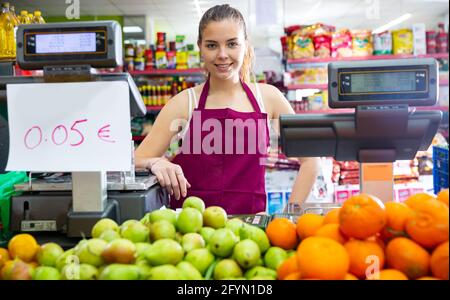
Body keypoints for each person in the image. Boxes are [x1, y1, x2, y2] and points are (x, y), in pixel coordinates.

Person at [135, 4, 320, 214]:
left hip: (250, 232)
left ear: (245, 45)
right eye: (212, 45)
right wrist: (156, 163)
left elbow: (310, 160)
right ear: (200, 47)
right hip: (191, 233)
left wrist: (289, 217)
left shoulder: (268, 98)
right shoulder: (184, 103)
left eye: (232, 44)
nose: (222, 54)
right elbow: (137, 159)